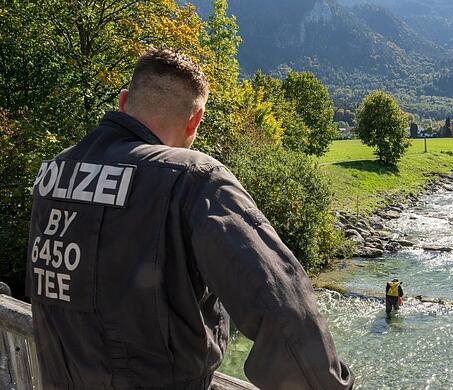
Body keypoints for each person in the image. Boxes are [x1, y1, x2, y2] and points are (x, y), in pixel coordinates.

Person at [26, 47, 353, 389]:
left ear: (123, 102)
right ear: (195, 119)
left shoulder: (55, 174)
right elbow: (282, 305)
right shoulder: (193, 178)